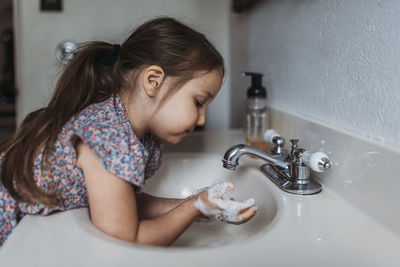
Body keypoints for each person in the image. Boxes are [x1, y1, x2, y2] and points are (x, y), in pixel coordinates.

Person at [0, 17, 257, 247]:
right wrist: (192, 208)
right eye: (198, 102)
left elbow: (124, 204)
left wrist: (202, 205)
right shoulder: (109, 134)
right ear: (153, 81)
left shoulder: (129, 130)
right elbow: (126, 238)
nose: (201, 120)